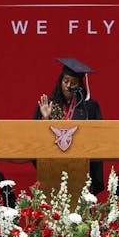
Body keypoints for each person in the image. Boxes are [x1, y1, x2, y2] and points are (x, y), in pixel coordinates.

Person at [35, 57, 105, 192]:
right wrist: (45, 118)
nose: (68, 85)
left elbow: (97, 137)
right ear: (60, 82)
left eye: (73, 82)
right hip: (53, 166)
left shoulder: (89, 106)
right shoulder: (49, 104)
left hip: (81, 167)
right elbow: (37, 139)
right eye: (65, 81)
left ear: (79, 85)